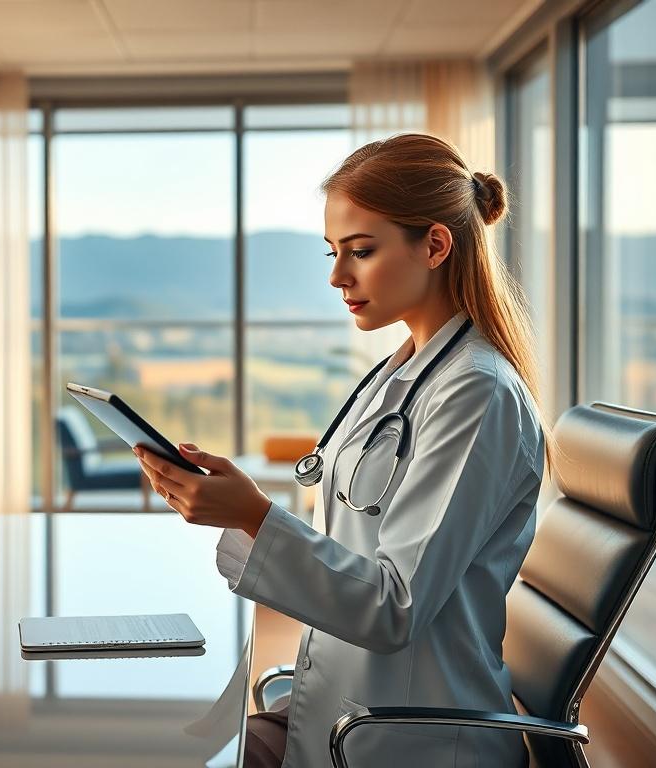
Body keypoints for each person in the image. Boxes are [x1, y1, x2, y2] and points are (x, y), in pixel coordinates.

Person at [133, 132, 554, 768]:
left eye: (360, 251)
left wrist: (253, 514)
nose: (336, 276)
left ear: (435, 245)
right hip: (350, 706)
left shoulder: (477, 394)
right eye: (333, 253)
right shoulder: (404, 372)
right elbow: (360, 549)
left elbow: (394, 606)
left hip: (413, 737)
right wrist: (239, 506)